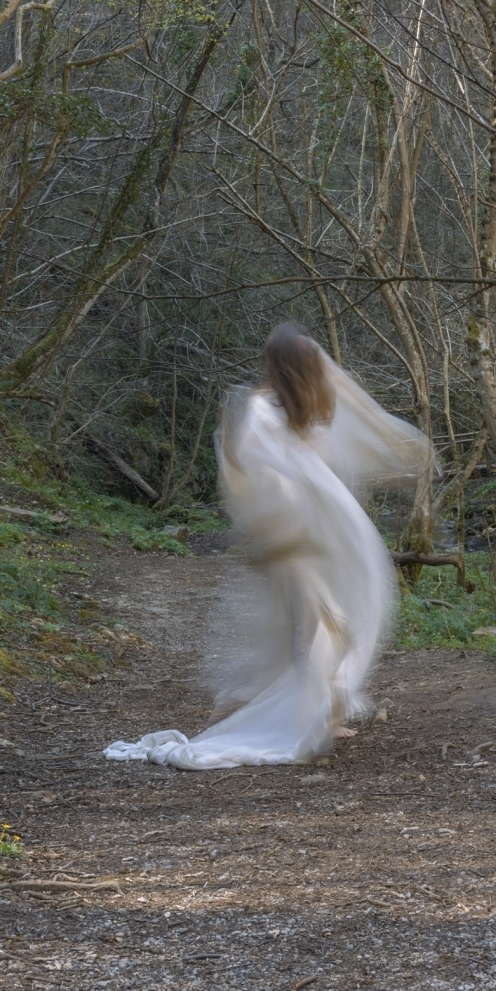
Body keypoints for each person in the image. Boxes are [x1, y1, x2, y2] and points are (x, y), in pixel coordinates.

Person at [104, 324, 432, 770]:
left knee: (296, 630)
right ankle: (307, 715)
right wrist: (284, 519)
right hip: (287, 542)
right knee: (319, 624)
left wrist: (396, 449)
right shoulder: (262, 410)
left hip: (308, 539)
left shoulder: (296, 411)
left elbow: (336, 447)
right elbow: (253, 471)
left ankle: (247, 703)